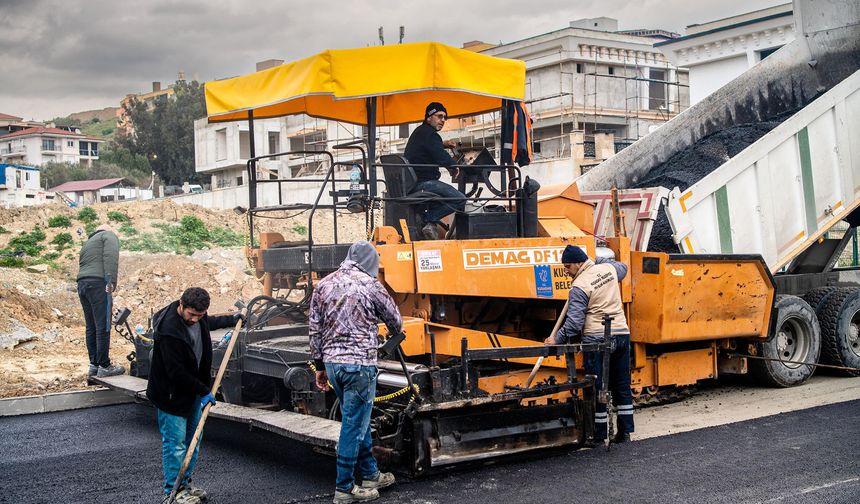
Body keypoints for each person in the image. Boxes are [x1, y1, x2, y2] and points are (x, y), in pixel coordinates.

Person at [309, 241, 403, 503]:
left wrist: (319, 367)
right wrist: (391, 332)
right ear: (370, 261)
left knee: (356, 419)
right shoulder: (370, 285)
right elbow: (395, 320)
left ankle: (372, 474)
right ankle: (344, 488)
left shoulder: (324, 284)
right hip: (359, 365)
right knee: (353, 425)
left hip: (332, 364)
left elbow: (314, 330)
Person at [146, 287, 242, 504]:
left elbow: (210, 322)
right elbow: (176, 373)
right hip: (171, 395)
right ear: (181, 304)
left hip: (193, 392)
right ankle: (174, 490)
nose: (195, 320)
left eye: (200, 315)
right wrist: (204, 390)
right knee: (175, 444)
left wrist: (233, 318)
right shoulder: (168, 330)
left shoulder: (199, 317)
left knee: (192, 442)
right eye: (192, 315)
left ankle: (185, 485)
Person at [545, 245, 634, 443]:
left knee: (597, 386)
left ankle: (599, 435)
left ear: (578, 263)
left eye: (568, 267)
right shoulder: (609, 270)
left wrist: (556, 339)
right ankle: (625, 432)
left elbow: (574, 324)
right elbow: (623, 267)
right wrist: (597, 261)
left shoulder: (579, 286)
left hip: (596, 339)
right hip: (621, 334)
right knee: (621, 384)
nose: (566, 271)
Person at [403, 101, 467, 240]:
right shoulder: (430, 134)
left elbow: (429, 147)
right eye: (439, 116)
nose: (443, 120)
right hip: (422, 183)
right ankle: (428, 220)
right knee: (459, 198)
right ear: (429, 117)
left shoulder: (421, 132)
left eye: (445, 117)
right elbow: (439, 154)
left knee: (444, 198)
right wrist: (453, 166)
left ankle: (428, 221)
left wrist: (444, 144)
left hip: (413, 182)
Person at [76, 223, 124, 378]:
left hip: (82, 284)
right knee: (103, 325)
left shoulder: (88, 243)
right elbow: (111, 257)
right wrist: (110, 281)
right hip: (98, 284)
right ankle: (104, 365)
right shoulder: (108, 235)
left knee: (91, 327)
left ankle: (94, 366)